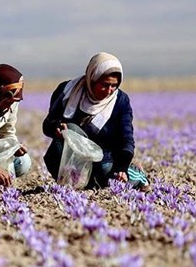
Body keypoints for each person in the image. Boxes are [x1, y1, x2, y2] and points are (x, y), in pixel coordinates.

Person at [42, 52, 149, 189]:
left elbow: (126, 137)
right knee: (72, 129)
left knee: (107, 180)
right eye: (104, 84)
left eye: (114, 85)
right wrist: (55, 126)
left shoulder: (120, 100)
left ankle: (136, 174)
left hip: (103, 156)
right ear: (92, 78)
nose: (109, 91)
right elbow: (48, 124)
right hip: (68, 153)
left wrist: (121, 166)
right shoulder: (67, 91)